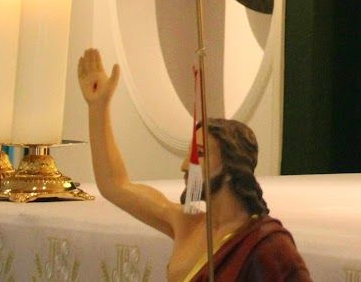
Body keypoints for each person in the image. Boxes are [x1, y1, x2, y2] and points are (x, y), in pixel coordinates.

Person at [77, 49, 312, 282]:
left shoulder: (268, 245)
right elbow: (115, 186)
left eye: (199, 154)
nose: (185, 166)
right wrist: (98, 108)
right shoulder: (187, 224)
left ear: (232, 166)